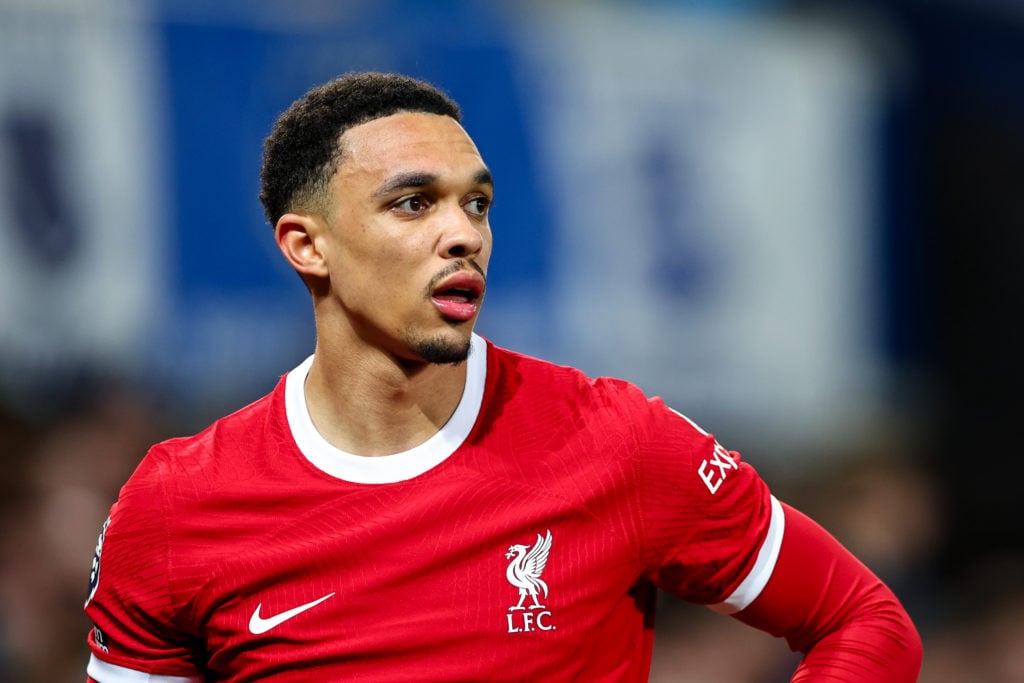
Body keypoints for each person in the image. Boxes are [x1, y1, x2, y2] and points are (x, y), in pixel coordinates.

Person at [83, 71, 922, 682]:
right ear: (308, 245)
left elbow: (865, 620)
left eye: (476, 203)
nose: (464, 235)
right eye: (414, 203)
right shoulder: (175, 508)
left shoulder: (616, 442)